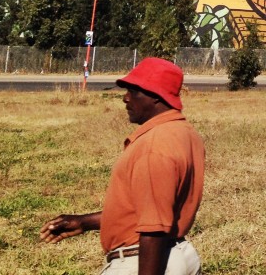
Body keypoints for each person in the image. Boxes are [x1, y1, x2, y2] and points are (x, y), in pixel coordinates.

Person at [40, 58, 204, 275]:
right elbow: (147, 208)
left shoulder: (154, 148)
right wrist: (85, 222)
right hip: (179, 252)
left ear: (156, 96)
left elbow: (154, 228)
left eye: (133, 91)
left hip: (144, 261)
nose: (125, 98)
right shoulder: (184, 133)